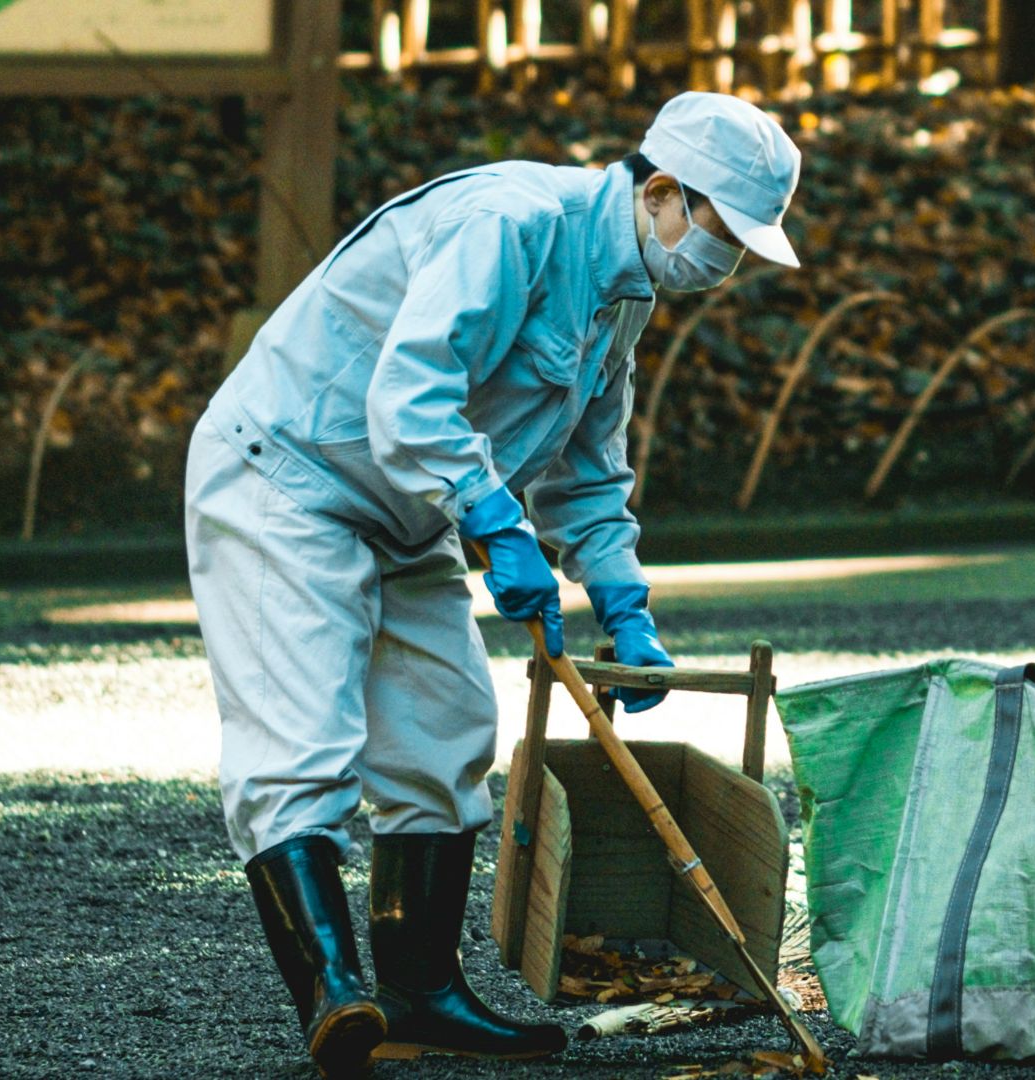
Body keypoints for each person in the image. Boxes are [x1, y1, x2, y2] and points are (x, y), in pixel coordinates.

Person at [182, 92, 802, 1076]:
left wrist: (625, 603)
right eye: (722, 233)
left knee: (446, 730)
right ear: (661, 192)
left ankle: (421, 994)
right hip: (287, 473)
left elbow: (588, 468)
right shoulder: (512, 223)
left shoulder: (623, 293)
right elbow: (410, 392)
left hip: (411, 502)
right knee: (300, 736)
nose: (722, 263)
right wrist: (498, 523)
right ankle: (333, 994)